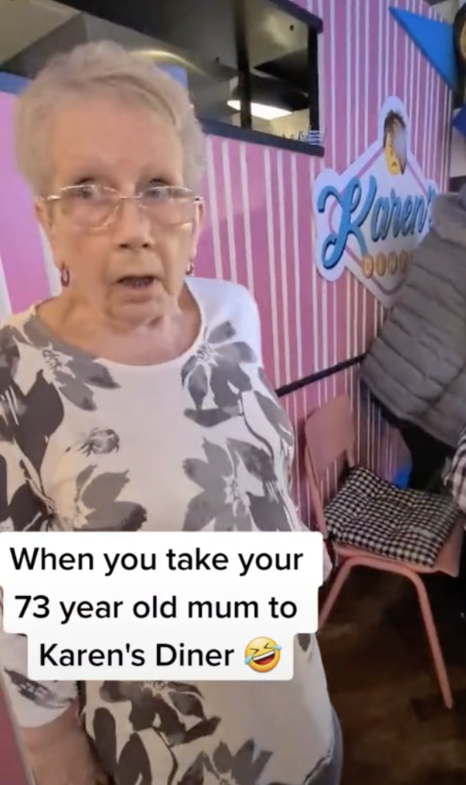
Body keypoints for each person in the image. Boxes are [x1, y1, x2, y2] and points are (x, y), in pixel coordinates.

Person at [0, 42, 341, 785]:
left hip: (308, 726)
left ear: (194, 215)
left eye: (159, 187)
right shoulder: (14, 373)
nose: (133, 227)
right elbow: (30, 641)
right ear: (47, 221)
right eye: (88, 190)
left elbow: (260, 487)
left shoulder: (233, 312)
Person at [360, 171, 466, 608]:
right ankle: (460, 594)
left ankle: (412, 565)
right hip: (439, 392)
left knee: (431, 472)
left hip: (394, 378)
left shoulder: (440, 238)